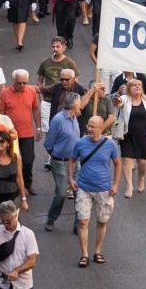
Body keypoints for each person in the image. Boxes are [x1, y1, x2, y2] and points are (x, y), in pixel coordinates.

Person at [69, 115, 122, 266]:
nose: (89, 129)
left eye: (93, 126)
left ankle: (97, 251)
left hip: (104, 189)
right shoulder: (80, 143)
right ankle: (84, 254)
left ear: (101, 128)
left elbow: (117, 164)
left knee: (102, 221)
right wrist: (71, 179)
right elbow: (72, 160)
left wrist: (116, 184)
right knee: (83, 221)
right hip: (84, 188)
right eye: (88, 126)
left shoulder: (110, 145)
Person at [45, 91, 83, 233]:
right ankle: (51, 219)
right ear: (73, 105)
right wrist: (56, 155)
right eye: (79, 104)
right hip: (60, 162)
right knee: (61, 193)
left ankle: (78, 225)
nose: (81, 106)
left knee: (79, 193)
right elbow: (48, 144)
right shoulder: (58, 120)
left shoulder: (74, 117)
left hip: (75, 162)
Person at [0, 69, 42, 195]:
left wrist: (38, 127)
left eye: (25, 83)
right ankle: (16, 185)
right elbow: (1, 113)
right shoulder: (4, 93)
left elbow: (35, 109)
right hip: (11, 135)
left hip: (27, 133)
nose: (22, 85)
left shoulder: (31, 91)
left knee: (28, 161)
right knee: (12, 161)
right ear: (13, 81)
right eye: (19, 83)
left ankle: (27, 183)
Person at [117, 78, 146, 197]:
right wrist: (116, 98)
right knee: (127, 159)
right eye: (134, 85)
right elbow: (118, 102)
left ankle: (141, 178)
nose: (137, 87)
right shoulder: (125, 99)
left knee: (142, 162)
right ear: (129, 89)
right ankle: (129, 186)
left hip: (143, 136)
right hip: (126, 135)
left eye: (139, 85)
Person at [0, 200, 39, 289]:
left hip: (22, 285)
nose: (5, 224)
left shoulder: (28, 234)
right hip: (1, 283)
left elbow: (32, 261)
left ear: (15, 216)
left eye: (8, 221)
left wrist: (17, 271)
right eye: (2, 221)